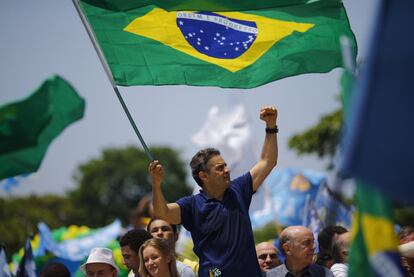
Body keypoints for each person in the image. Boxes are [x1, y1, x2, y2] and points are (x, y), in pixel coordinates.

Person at [149, 106, 278, 277]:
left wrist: (271, 126)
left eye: (225, 165)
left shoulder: (238, 189)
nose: (227, 170)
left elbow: (267, 161)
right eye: (220, 168)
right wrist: (156, 185)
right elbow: (163, 213)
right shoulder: (192, 205)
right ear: (204, 175)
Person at [266, 226, 333, 277]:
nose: (313, 247)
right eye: (307, 243)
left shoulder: (325, 274)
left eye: (313, 242)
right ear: (287, 249)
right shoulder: (269, 276)